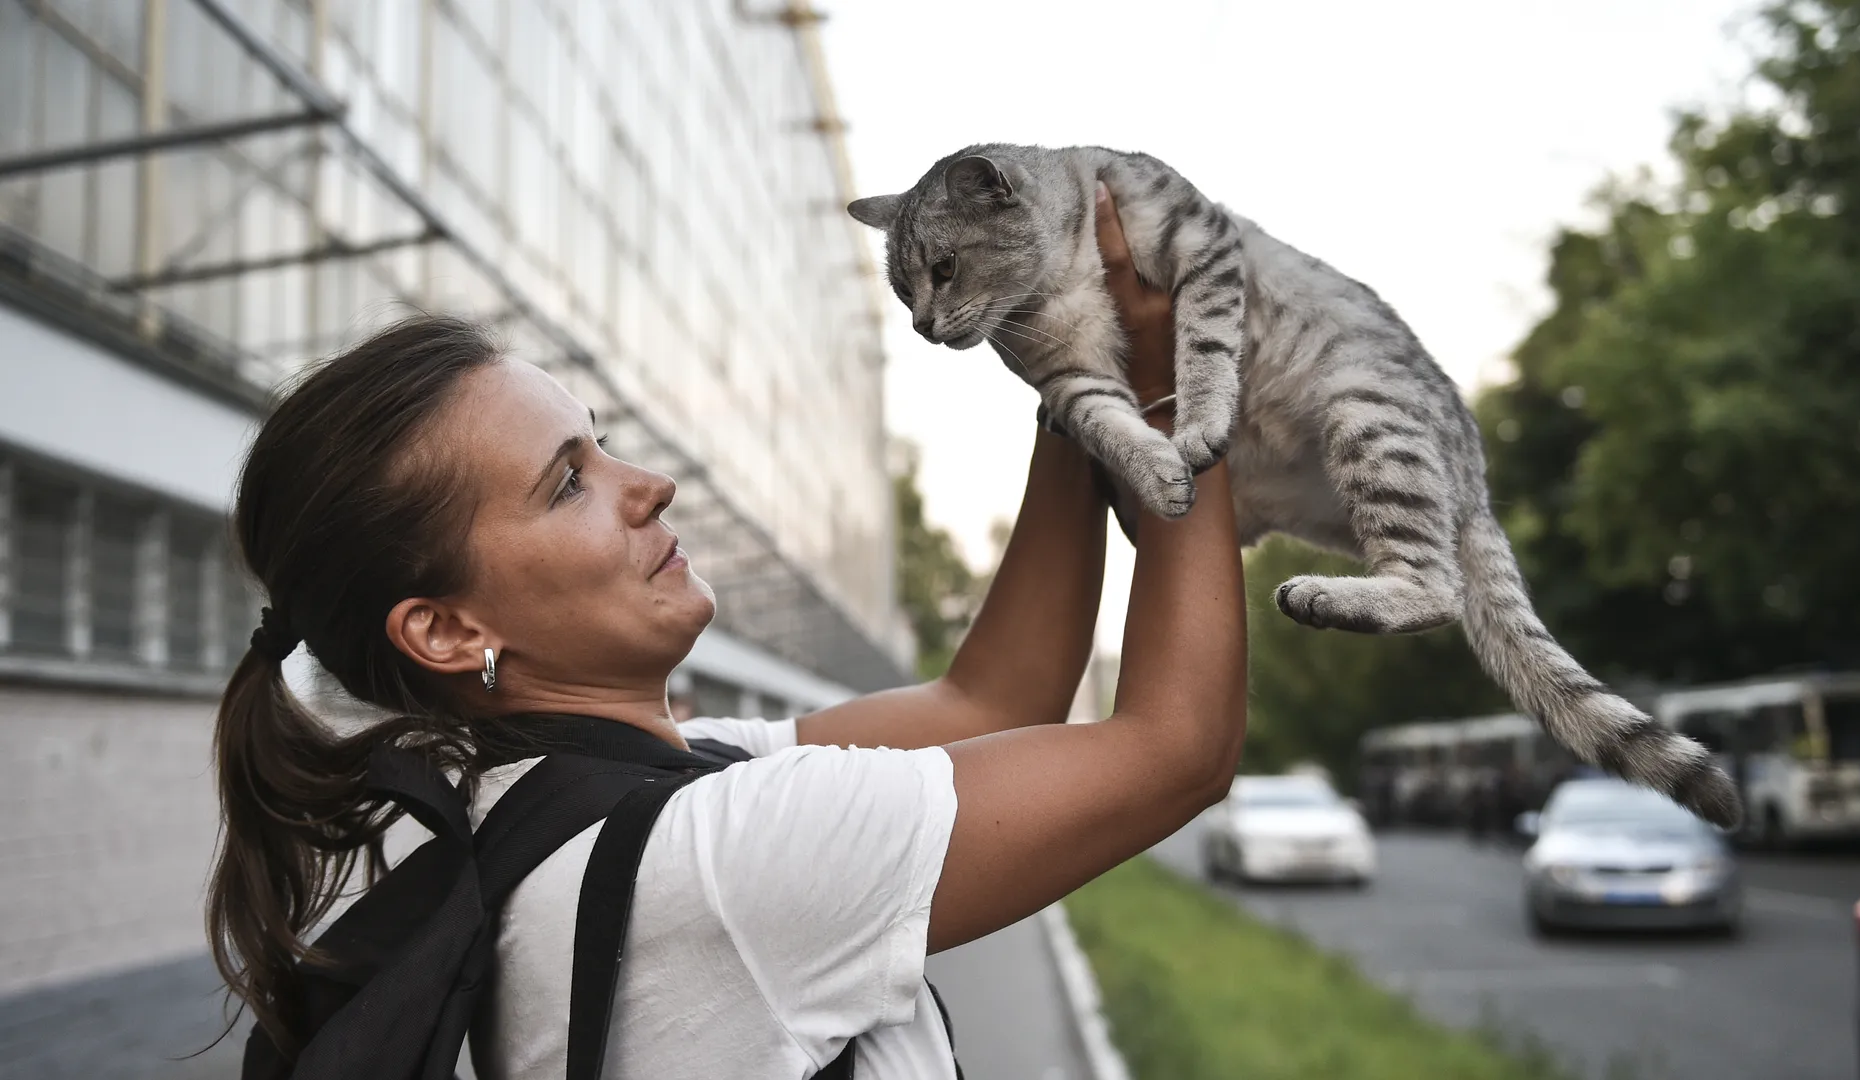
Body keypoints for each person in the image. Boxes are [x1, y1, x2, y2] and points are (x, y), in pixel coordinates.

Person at [206, 184, 1246, 1079]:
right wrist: (1167, 384)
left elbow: (989, 707)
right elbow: (1175, 749)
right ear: (443, 630)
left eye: (601, 446)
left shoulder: (598, 801)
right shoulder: (715, 860)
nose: (650, 488)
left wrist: (1074, 357)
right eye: (567, 483)